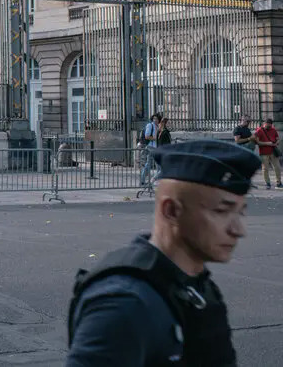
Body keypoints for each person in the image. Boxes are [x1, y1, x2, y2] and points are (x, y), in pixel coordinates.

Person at [67, 139, 260, 366]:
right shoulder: (123, 305)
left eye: (240, 213)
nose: (239, 230)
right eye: (222, 211)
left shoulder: (193, 284)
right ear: (171, 211)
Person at [253, 118, 283, 190]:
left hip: (273, 151)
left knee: (277, 167)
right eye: (267, 124)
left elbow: (277, 138)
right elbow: (257, 142)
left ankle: (278, 183)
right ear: (264, 123)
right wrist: (267, 143)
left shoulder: (273, 130)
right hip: (264, 152)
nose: (268, 126)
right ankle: (267, 183)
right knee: (265, 169)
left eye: (270, 125)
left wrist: (277, 142)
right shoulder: (259, 131)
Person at [138, 112, 161, 185]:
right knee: (158, 164)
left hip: (155, 147)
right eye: (154, 118)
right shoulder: (150, 125)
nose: (155, 120)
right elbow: (147, 136)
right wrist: (156, 138)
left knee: (149, 164)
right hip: (151, 147)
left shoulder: (157, 127)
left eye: (156, 119)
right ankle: (154, 180)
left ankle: (143, 181)